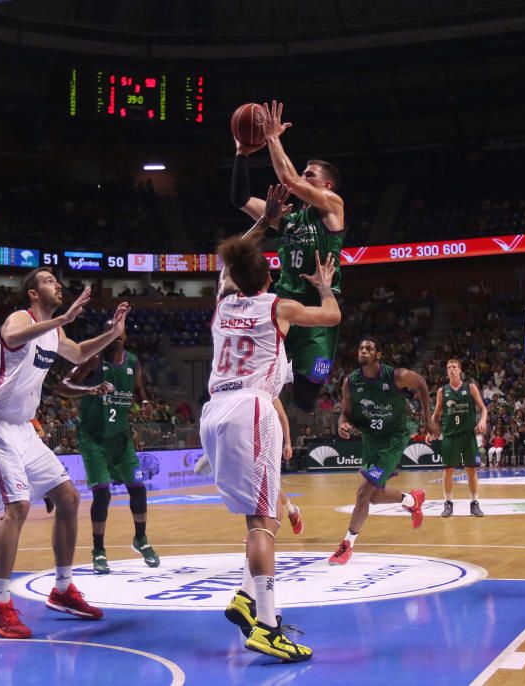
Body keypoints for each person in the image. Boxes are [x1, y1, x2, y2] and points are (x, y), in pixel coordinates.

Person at [203, 185, 339, 662]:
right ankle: (267, 624)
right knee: (263, 521)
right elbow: (333, 315)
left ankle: (244, 598)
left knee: (260, 517)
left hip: (214, 410)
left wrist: (265, 222)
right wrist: (324, 283)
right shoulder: (276, 306)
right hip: (251, 410)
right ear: (268, 277)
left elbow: (233, 262)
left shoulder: (223, 303)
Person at [0, 268, 131, 639]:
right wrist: (62, 318)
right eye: (47, 281)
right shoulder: (21, 318)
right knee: (18, 508)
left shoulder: (54, 332)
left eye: (57, 282)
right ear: (31, 293)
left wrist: (111, 334)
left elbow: (75, 351)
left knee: (69, 497)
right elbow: (10, 336)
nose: (56, 285)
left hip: (24, 429)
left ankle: (62, 590)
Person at [231, 101, 346, 412]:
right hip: (283, 305)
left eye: (310, 175)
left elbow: (290, 181)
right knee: (251, 383)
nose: (303, 177)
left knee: (306, 399)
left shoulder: (333, 208)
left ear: (327, 185)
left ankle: (288, 380)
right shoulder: (289, 217)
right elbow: (239, 198)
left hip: (319, 309)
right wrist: (241, 154)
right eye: (304, 173)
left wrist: (271, 137)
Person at [56, 327, 161, 572]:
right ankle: (99, 550)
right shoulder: (93, 359)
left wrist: (144, 402)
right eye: (108, 331)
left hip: (121, 439)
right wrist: (89, 390)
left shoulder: (133, 362)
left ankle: (141, 539)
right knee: (102, 493)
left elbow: (138, 389)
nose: (114, 335)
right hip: (93, 438)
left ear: (125, 337)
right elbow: (63, 385)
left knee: (138, 489)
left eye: (118, 332)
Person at [328, 338, 436, 565]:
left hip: (394, 439)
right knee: (374, 496)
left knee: (362, 494)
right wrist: (342, 424)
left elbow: (422, 384)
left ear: (377, 355)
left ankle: (346, 545)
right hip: (371, 441)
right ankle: (411, 500)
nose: (364, 351)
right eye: (361, 348)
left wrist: (429, 419)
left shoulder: (397, 376)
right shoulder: (351, 382)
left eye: (369, 348)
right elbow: (345, 413)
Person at [433, 359, 488, 517]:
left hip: (468, 434)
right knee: (448, 470)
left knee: (471, 470)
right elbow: (436, 415)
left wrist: (482, 420)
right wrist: (431, 429)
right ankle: (448, 503)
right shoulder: (442, 391)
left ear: (460, 370)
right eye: (449, 367)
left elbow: (483, 408)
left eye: (454, 367)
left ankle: (474, 503)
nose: (451, 369)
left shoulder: (470, 387)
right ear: (446, 371)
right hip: (450, 435)